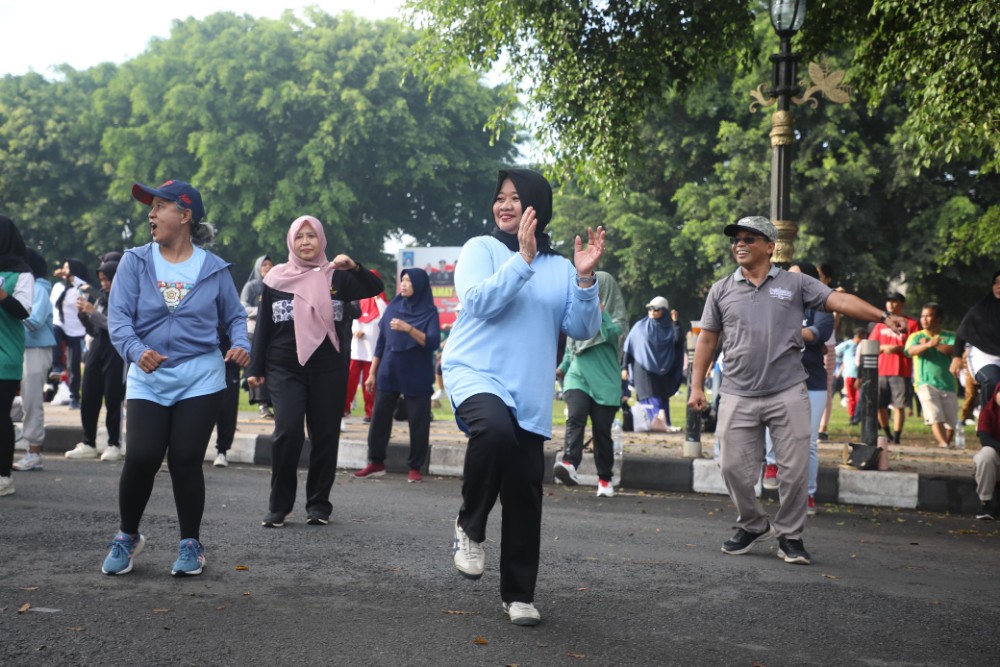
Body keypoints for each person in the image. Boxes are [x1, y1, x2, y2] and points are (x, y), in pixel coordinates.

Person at [688, 216, 909, 566]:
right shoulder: (721, 289)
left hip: (787, 390)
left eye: (749, 238)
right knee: (730, 466)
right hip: (737, 393)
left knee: (794, 469)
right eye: (735, 239)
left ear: (770, 247)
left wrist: (883, 316)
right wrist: (697, 385)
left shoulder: (795, 283)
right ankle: (754, 524)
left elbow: (840, 301)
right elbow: (708, 340)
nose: (739, 244)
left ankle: (790, 535)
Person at [442, 168, 604, 626]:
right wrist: (522, 260)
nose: (505, 205)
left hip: (528, 393)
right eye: (500, 197)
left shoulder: (560, 268)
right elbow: (477, 303)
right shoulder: (482, 249)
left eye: (516, 197)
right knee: (492, 432)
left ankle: (518, 595)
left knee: (524, 493)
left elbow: (582, 329)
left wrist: (586, 280)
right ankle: (469, 526)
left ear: (538, 206)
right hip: (474, 373)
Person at [103, 179, 250, 576]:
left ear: (185, 215)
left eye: (160, 206)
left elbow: (235, 317)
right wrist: (137, 352)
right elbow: (118, 320)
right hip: (148, 375)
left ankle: (191, 544)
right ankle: (127, 535)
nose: (151, 214)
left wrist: (241, 344)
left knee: (186, 459)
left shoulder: (214, 268)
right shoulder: (135, 261)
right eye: (150, 207)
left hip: (200, 376)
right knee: (142, 457)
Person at [247, 215, 383, 528]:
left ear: (321, 240)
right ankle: (279, 506)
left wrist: (354, 267)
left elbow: (375, 287)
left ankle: (318, 504)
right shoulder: (276, 279)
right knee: (288, 430)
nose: (306, 242)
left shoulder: (338, 276)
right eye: (300, 237)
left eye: (311, 236)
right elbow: (264, 326)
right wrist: (255, 368)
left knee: (324, 437)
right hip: (284, 367)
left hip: (329, 368)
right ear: (291, 241)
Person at [760, 261, 833, 515]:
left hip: (812, 381)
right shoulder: (776, 300)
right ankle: (771, 464)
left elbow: (818, 332)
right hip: (779, 378)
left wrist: (787, 331)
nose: (787, 281)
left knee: (809, 442)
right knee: (772, 423)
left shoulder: (820, 304)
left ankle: (808, 495)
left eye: (795, 277)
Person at [353, 268, 440, 482]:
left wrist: (408, 329)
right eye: (402, 280)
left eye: (409, 281)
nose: (404, 284)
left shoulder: (429, 311)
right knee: (379, 417)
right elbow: (381, 343)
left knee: (418, 421)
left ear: (419, 285)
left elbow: (432, 342)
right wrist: (372, 374)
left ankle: (415, 467)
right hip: (389, 369)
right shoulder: (393, 307)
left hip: (417, 371)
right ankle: (376, 462)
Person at [552, 270, 627, 496]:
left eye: (594, 288)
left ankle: (604, 479)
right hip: (578, 375)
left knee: (602, 431)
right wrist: (561, 369)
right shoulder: (577, 313)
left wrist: (600, 315)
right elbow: (570, 350)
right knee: (575, 417)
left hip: (605, 379)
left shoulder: (617, 317)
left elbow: (615, 334)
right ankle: (569, 463)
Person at [64, 260, 127, 462]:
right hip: (97, 347)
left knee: (112, 396)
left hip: (115, 351)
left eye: (108, 279)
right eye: (101, 280)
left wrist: (93, 313)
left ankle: (113, 444)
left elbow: (115, 326)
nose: (105, 283)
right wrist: (83, 315)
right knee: (89, 394)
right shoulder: (101, 298)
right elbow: (94, 329)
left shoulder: (125, 298)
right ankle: (88, 441)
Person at [12, 249, 55, 472]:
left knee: (32, 402)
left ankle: (34, 451)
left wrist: (11, 307)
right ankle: (23, 439)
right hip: (24, 349)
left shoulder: (39, 289)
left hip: (36, 350)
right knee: (20, 400)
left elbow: (35, 320)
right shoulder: (33, 287)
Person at [1, 215, 34, 497]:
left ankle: (4, 476)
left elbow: (23, 311)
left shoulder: (21, 273)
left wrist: (1, 295)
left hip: (5, 355)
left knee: (1, 416)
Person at [622, 296, 684, 431]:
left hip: (663, 369)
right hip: (643, 369)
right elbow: (629, 347)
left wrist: (676, 322)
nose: (652, 311)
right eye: (650, 308)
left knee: (662, 398)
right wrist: (624, 367)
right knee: (651, 397)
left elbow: (678, 341)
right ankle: (656, 423)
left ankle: (663, 423)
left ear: (664, 311)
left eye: (656, 309)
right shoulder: (640, 327)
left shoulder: (669, 327)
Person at [868, 292, 920, 444]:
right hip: (881, 370)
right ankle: (887, 434)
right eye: (888, 301)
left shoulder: (911, 324)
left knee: (899, 405)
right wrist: (884, 347)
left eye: (894, 301)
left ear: (902, 304)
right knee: (880, 405)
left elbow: (915, 346)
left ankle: (897, 437)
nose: (890, 304)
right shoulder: (880, 324)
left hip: (900, 370)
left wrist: (899, 348)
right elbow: (871, 345)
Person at [905, 303, 958, 448]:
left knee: (950, 421)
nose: (924, 319)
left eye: (928, 316)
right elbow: (910, 351)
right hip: (924, 383)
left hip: (948, 383)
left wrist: (935, 345)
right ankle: (943, 444)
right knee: (934, 416)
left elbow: (954, 350)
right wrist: (927, 345)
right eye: (922, 316)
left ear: (939, 318)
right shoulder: (916, 336)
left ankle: (945, 444)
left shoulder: (950, 336)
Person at [950, 271, 1000, 412]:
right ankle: (986, 428)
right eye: (996, 283)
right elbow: (961, 332)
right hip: (984, 356)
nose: (998, 287)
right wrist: (957, 357)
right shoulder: (979, 310)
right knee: (992, 381)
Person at [344, 270, 388, 423]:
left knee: (369, 382)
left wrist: (377, 298)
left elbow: (385, 317)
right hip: (356, 350)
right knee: (349, 379)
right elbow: (352, 316)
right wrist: (356, 331)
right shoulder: (358, 297)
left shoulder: (380, 300)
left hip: (372, 351)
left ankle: (370, 413)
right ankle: (344, 408)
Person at [241, 255, 274, 419]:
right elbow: (243, 307)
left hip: (271, 333)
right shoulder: (251, 286)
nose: (267, 268)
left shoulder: (276, 285)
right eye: (264, 265)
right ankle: (262, 404)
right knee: (256, 367)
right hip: (253, 331)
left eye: (270, 265)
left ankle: (270, 402)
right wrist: (261, 312)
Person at [55, 258, 90, 409]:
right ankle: (56, 366)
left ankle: (74, 396)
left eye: (68, 269)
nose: (64, 271)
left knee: (74, 366)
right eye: (63, 268)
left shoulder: (81, 288)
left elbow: (83, 288)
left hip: (75, 330)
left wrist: (71, 277)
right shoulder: (58, 286)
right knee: (54, 329)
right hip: (60, 326)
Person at [973, 384, 1000, 520]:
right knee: (986, 455)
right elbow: (985, 439)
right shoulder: (988, 412)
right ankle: (986, 502)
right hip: (996, 457)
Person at [835, 328, 866, 425]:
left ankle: (858, 416)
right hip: (850, 374)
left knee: (859, 397)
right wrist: (844, 361)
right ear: (858, 337)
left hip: (861, 374)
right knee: (852, 397)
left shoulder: (862, 345)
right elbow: (836, 351)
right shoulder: (848, 344)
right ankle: (853, 416)